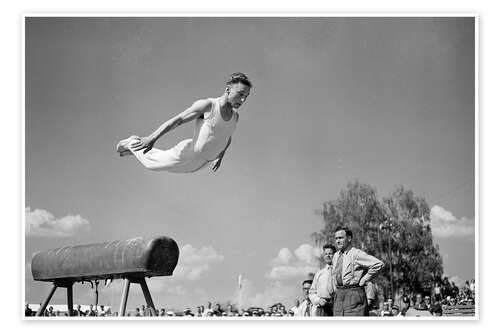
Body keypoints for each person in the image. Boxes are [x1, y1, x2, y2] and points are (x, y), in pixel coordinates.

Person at [116, 72, 252, 173]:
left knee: (161, 164)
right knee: (152, 165)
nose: (243, 100)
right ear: (228, 89)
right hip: (188, 154)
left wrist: (220, 156)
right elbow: (178, 120)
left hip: (201, 164)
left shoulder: (235, 117)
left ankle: (134, 151)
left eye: (246, 96)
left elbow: (226, 137)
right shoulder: (208, 106)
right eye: (240, 94)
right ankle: (132, 142)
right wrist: (152, 137)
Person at [331, 226, 384, 316]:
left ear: (349, 238)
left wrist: (364, 279)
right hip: (339, 296)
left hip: (354, 294)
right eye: (336, 238)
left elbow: (378, 264)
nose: (338, 241)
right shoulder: (336, 256)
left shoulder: (356, 253)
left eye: (340, 238)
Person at [309, 243, 336, 316]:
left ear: (335, 255)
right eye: (326, 254)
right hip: (322, 308)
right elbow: (312, 292)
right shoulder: (319, 274)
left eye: (330, 253)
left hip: (337, 306)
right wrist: (318, 300)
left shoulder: (340, 271)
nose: (328, 255)